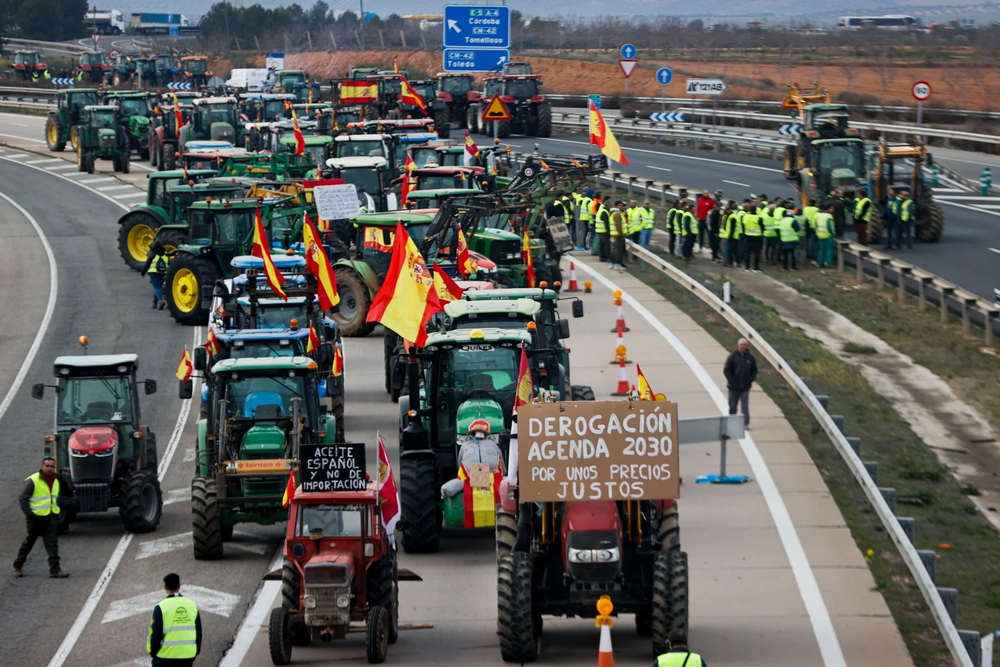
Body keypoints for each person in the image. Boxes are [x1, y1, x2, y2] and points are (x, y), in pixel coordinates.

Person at [13, 457, 69, 578]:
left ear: (54, 467)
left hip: (50, 517)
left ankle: (55, 569)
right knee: (29, 542)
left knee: (52, 543)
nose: (49, 469)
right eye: (47, 466)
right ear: (42, 467)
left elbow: (56, 497)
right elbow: (23, 498)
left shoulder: (56, 480)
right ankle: (17, 566)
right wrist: (30, 515)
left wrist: (55, 513)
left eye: (51, 466)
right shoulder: (33, 480)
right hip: (35, 519)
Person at [148, 573, 203, 667]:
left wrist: (153, 653)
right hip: (187, 655)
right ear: (179, 585)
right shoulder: (192, 605)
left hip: (165, 656)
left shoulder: (161, 607)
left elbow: (156, 634)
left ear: (165, 587)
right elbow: (198, 632)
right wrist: (195, 651)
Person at [724, 338, 758, 429]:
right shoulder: (732, 357)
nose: (743, 346)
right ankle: (732, 422)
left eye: (744, 345)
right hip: (733, 387)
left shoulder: (751, 358)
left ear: (747, 346)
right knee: (732, 406)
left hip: (745, 387)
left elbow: (754, 370)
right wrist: (731, 380)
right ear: (738, 345)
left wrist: (750, 379)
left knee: (744, 407)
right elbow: (726, 370)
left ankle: (745, 423)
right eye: (741, 345)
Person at [141, 241, 171, 310]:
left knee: (157, 288)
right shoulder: (166, 254)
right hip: (163, 273)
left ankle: (160, 301)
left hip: (154, 273)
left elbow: (147, 264)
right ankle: (154, 303)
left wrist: (143, 272)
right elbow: (169, 264)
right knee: (159, 288)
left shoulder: (152, 254)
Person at [741, 202, 762, 273]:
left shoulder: (745, 217)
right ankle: (755, 268)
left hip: (747, 236)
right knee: (757, 253)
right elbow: (763, 227)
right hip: (757, 237)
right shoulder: (758, 218)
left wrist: (744, 235)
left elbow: (743, 226)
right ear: (756, 210)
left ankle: (747, 268)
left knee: (747, 253)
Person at [815, 203, 836, 268]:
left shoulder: (819, 215)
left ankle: (820, 263)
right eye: (832, 208)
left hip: (820, 234)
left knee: (821, 250)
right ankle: (828, 263)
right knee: (829, 250)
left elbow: (816, 225)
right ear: (828, 209)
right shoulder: (829, 216)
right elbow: (829, 226)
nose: (833, 209)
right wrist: (832, 234)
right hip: (827, 235)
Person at [609, 201, 626, 270]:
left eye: (622, 205)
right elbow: (618, 226)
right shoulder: (617, 214)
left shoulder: (615, 214)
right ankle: (617, 264)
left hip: (615, 234)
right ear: (616, 206)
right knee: (618, 251)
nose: (621, 207)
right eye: (620, 205)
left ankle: (613, 264)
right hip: (618, 235)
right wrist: (622, 234)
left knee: (614, 250)